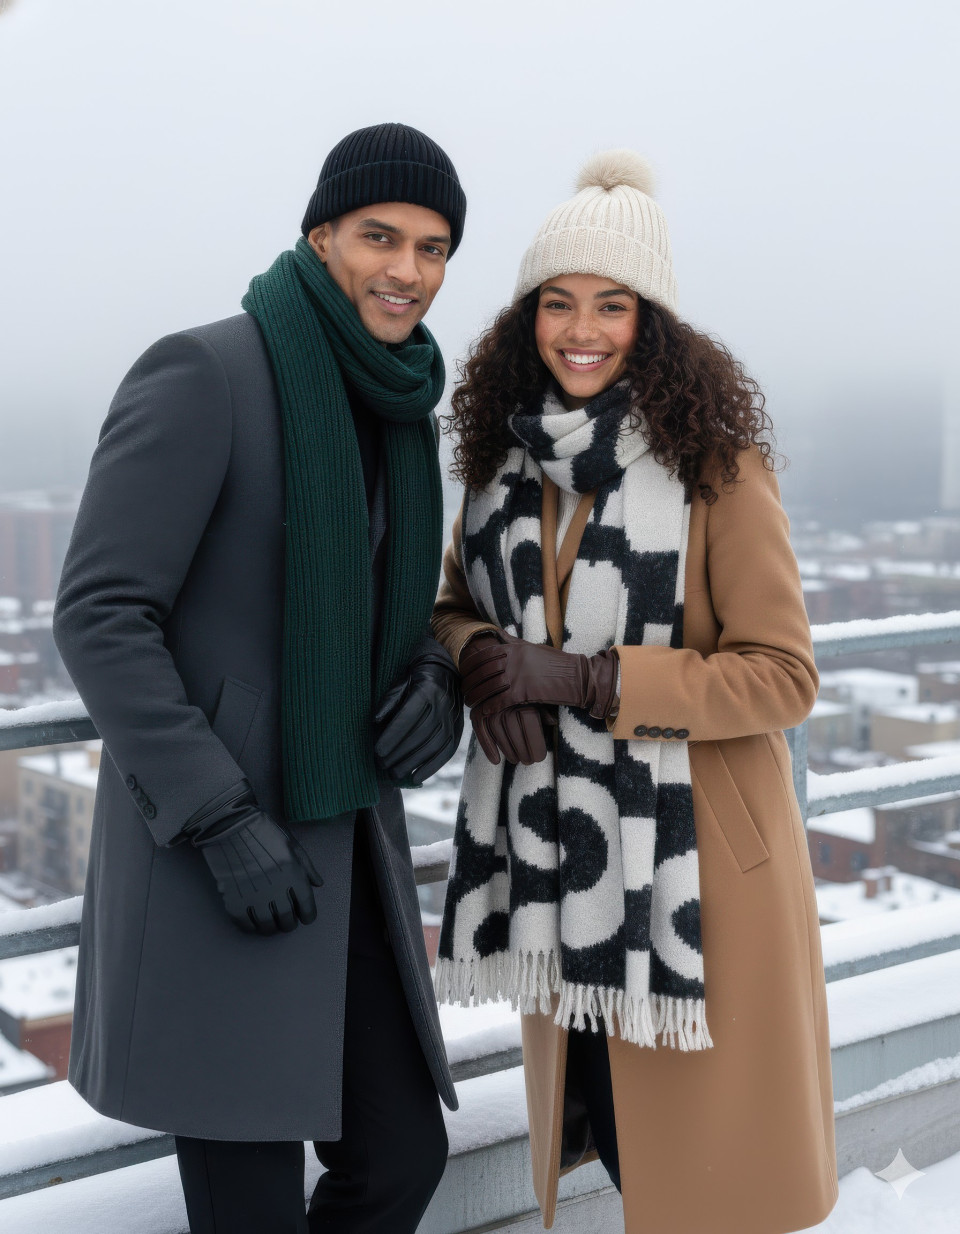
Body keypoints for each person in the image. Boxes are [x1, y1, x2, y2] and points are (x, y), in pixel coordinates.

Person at [53, 122, 467, 1234]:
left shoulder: (399, 407)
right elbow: (99, 612)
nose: (407, 269)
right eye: (381, 236)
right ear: (321, 235)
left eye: (433, 248)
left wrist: (434, 667)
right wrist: (219, 817)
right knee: (248, 1209)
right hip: (219, 861)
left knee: (403, 1154)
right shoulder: (205, 371)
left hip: (347, 849)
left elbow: (386, 598)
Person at [431, 150, 839, 1234]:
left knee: (713, 1176)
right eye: (557, 303)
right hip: (562, 865)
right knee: (614, 1130)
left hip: (700, 876)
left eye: (612, 305)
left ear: (650, 323)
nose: (582, 329)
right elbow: (449, 603)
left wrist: (584, 678)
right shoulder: (494, 467)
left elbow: (785, 674)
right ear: (527, 319)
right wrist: (483, 658)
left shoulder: (720, 466)